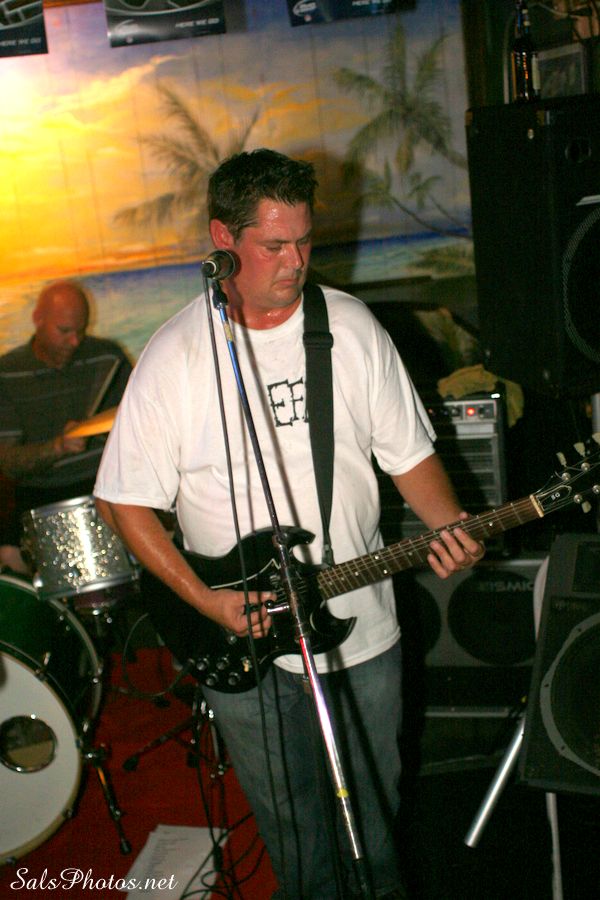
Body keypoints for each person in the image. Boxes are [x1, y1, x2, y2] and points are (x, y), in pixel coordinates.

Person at [94, 148, 485, 899]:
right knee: (294, 832)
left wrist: (449, 526)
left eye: (305, 241)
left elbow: (409, 455)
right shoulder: (176, 354)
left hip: (360, 624)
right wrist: (207, 601)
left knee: (374, 816)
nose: (296, 261)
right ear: (223, 238)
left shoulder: (350, 327)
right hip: (238, 635)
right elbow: (124, 502)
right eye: (274, 245)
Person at [0, 279, 132, 573]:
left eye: (80, 331)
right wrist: (58, 447)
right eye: (64, 331)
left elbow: (141, 423)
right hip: (45, 495)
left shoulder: (108, 357)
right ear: (38, 319)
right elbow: (8, 463)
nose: (74, 341)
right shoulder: (7, 374)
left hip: (108, 487)